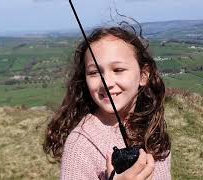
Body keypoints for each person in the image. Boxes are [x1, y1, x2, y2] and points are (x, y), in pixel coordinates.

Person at [43, 26, 171, 180]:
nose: (106, 83)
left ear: (143, 75)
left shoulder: (152, 126)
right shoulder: (80, 146)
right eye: (94, 72)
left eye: (118, 69)